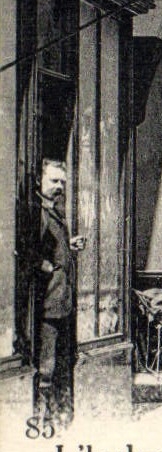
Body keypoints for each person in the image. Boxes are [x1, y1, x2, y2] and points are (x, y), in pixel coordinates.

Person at [31, 159, 84, 423]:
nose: (59, 186)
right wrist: (47, 268)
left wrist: (69, 245)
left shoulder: (54, 211)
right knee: (47, 363)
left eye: (62, 182)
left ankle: (57, 413)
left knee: (60, 358)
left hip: (62, 298)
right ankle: (43, 416)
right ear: (39, 180)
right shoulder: (37, 212)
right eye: (54, 181)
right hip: (48, 299)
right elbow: (28, 250)